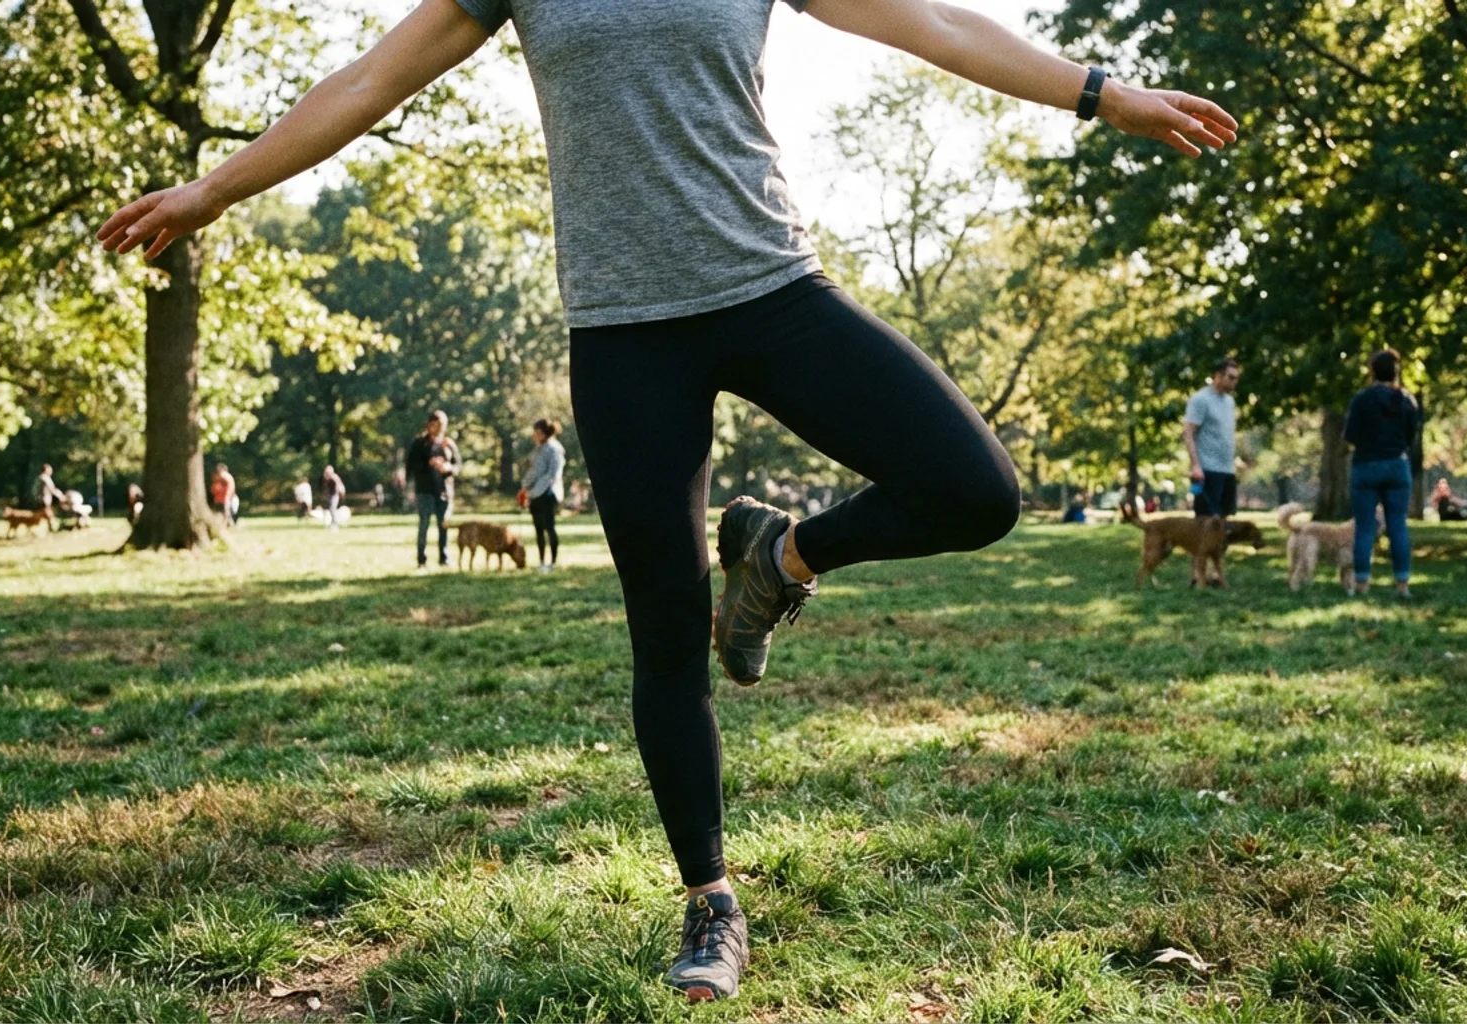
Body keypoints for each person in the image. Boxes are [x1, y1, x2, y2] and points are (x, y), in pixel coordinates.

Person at [93, 0, 1237, 999]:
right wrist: (214, 187)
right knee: (663, 637)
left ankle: (783, 556)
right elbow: (367, 77)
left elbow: (928, 21)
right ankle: (711, 900)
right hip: (625, 339)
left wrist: (1103, 93)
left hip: (771, 288)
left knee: (977, 489)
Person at [1344, 349, 1422, 598]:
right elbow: (1412, 436)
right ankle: (1402, 585)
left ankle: (1362, 584)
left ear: (1372, 372)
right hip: (1397, 466)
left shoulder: (1361, 400)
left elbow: (1350, 435)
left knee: (1365, 527)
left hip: (1366, 465)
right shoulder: (1408, 402)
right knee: (1397, 525)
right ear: (1396, 372)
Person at [1183, 358, 1242, 518]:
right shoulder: (1200, 399)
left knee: (1225, 521)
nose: (1234, 382)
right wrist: (1195, 465)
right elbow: (1188, 433)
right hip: (1206, 471)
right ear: (1217, 375)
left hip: (1227, 469)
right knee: (1206, 522)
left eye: (1236, 378)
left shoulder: (1230, 401)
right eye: (1231, 377)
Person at [405, 411, 460, 569]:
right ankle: (421, 560)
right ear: (429, 425)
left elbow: (458, 465)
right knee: (424, 525)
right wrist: (429, 463)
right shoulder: (419, 444)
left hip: (444, 491)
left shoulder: (448, 444)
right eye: (436, 425)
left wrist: (448, 468)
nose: (439, 429)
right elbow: (411, 466)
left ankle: (444, 558)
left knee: (443, 526)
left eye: (442, 426)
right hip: (424, 491)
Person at [518, 418, 566, 573]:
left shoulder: (554, 449)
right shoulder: (538, 449)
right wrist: (525, 488)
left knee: (549, 527)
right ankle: (541, 562)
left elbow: (552, 474)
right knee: (538, 528)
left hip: (548, 493)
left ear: (546, 433)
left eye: (538, 432)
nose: (535, 435)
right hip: (535, 494)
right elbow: (532, 471)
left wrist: (536, 490)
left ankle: (553, 562)